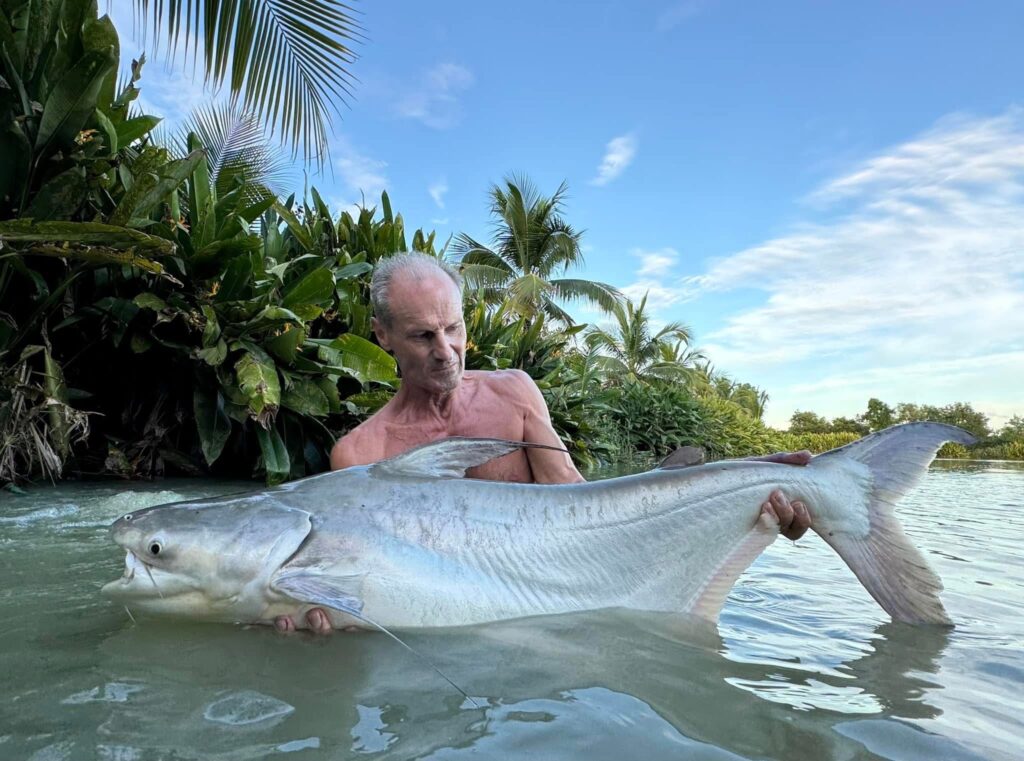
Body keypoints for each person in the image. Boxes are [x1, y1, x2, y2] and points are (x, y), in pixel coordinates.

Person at [276, 253, 810, 633]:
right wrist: (312, 614)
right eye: (422, 336)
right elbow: (354, 581)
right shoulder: (359, 455)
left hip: (558, 609)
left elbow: (581, 509)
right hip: (446, 628)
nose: (446, 351)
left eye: (454, 328)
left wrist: (740, 495)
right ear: (382, 336)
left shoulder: (514, 394)